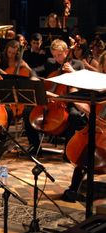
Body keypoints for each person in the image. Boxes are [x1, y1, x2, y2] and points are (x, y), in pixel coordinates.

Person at [22, 39, 87, 155]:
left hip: (69, 101)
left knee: (74, 115)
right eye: (55, 55)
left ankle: (68, 150)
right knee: (27, 111)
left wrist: (73, 72)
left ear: (67, 51)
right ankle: (34, 145)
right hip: (51, 100)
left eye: (60, 55)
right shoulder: (50, 63)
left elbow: (84, 83)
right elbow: (34, 71)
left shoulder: (78, 64)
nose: (58, 58)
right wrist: (34, 78)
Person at [61, 50, 106, 202]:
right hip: (97, 126)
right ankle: (73, 189)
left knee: (88, 150)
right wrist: (75, 98)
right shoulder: (99, 83)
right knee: (85, 151)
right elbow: (91, 108)